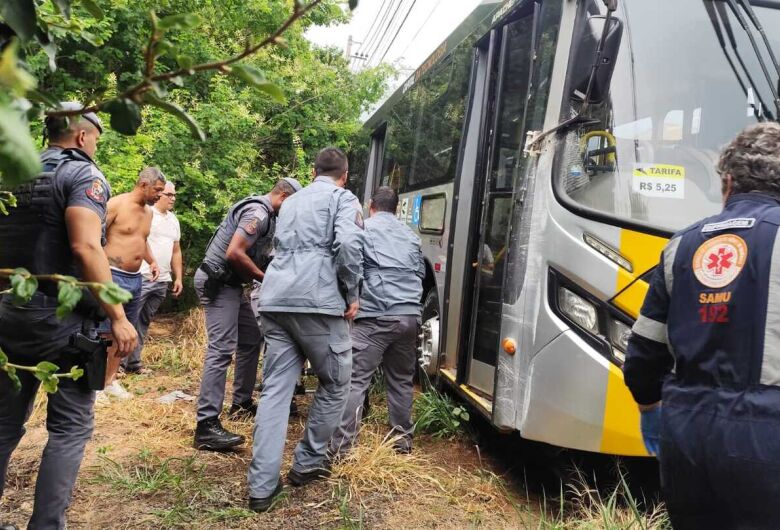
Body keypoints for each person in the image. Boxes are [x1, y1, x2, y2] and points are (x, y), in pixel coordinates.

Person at [624, 122, 780, 529]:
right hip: (767, 436)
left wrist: (650, 410)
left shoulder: (682, 244)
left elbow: (643, 352)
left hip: (686, 434)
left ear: (728, 183)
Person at [0, 103, 138, 530]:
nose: (96, 144)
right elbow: (85, 247)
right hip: (63, 322)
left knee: (4, 423)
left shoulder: (14, 175)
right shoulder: (83, 175)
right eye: (96, 137)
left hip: (8, 312)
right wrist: (117, 315)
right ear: (82, 136)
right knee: (70, 428)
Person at [247, 147, 364, 512]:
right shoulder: (343, 198)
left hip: (277, 300)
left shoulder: (291, 202)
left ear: (314, 171)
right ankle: (308, 463)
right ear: (344, 174)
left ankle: (261, 489)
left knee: (275, 392)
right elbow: (347, 243)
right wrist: (351, 292)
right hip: (319, 304)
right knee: (336, 382)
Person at [193, 177, 302, 452]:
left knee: (251, 338)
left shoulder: (270, 217)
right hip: (217, 283)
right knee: (221, 349)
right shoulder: (258, 212)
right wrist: (266, 279)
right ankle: (206, 425)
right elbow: (235, 253)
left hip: (232, 285)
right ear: (284, 197)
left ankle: (241, 403)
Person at [330, 186, 424, 457]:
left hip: (375, 316)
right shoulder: (410, 235)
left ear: (370, 205)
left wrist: (350, 295)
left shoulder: (364, 228)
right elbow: (419, 272)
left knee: (355, 380)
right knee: (401, 380)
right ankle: (402, 442)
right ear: (396, 208)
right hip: (409, 316)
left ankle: (341, 449)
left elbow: (349, 259)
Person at [98, 167, 166, 399]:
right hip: (111, 275)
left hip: (135, 279)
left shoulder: (148, 213)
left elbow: (141, 239)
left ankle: (110, 381)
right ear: (143, 185)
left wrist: (152, 261)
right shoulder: (116, 204)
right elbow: (95, 236)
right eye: (157, 190)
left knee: (125, 334)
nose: (160, 195)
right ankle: (95, 386)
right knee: (105, 333)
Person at [122, 181, 184, 374]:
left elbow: (176, 250)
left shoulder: (173, 220)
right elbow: (137, 241)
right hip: (142, 276)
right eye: (168, 194)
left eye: (174, 195)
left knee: (144, 322)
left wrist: (178, 278)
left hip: (162, 280)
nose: (172, 198)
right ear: (159, 195)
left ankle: (134, 363)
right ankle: (117, 366)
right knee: (128, 320)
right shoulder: (147, 214)